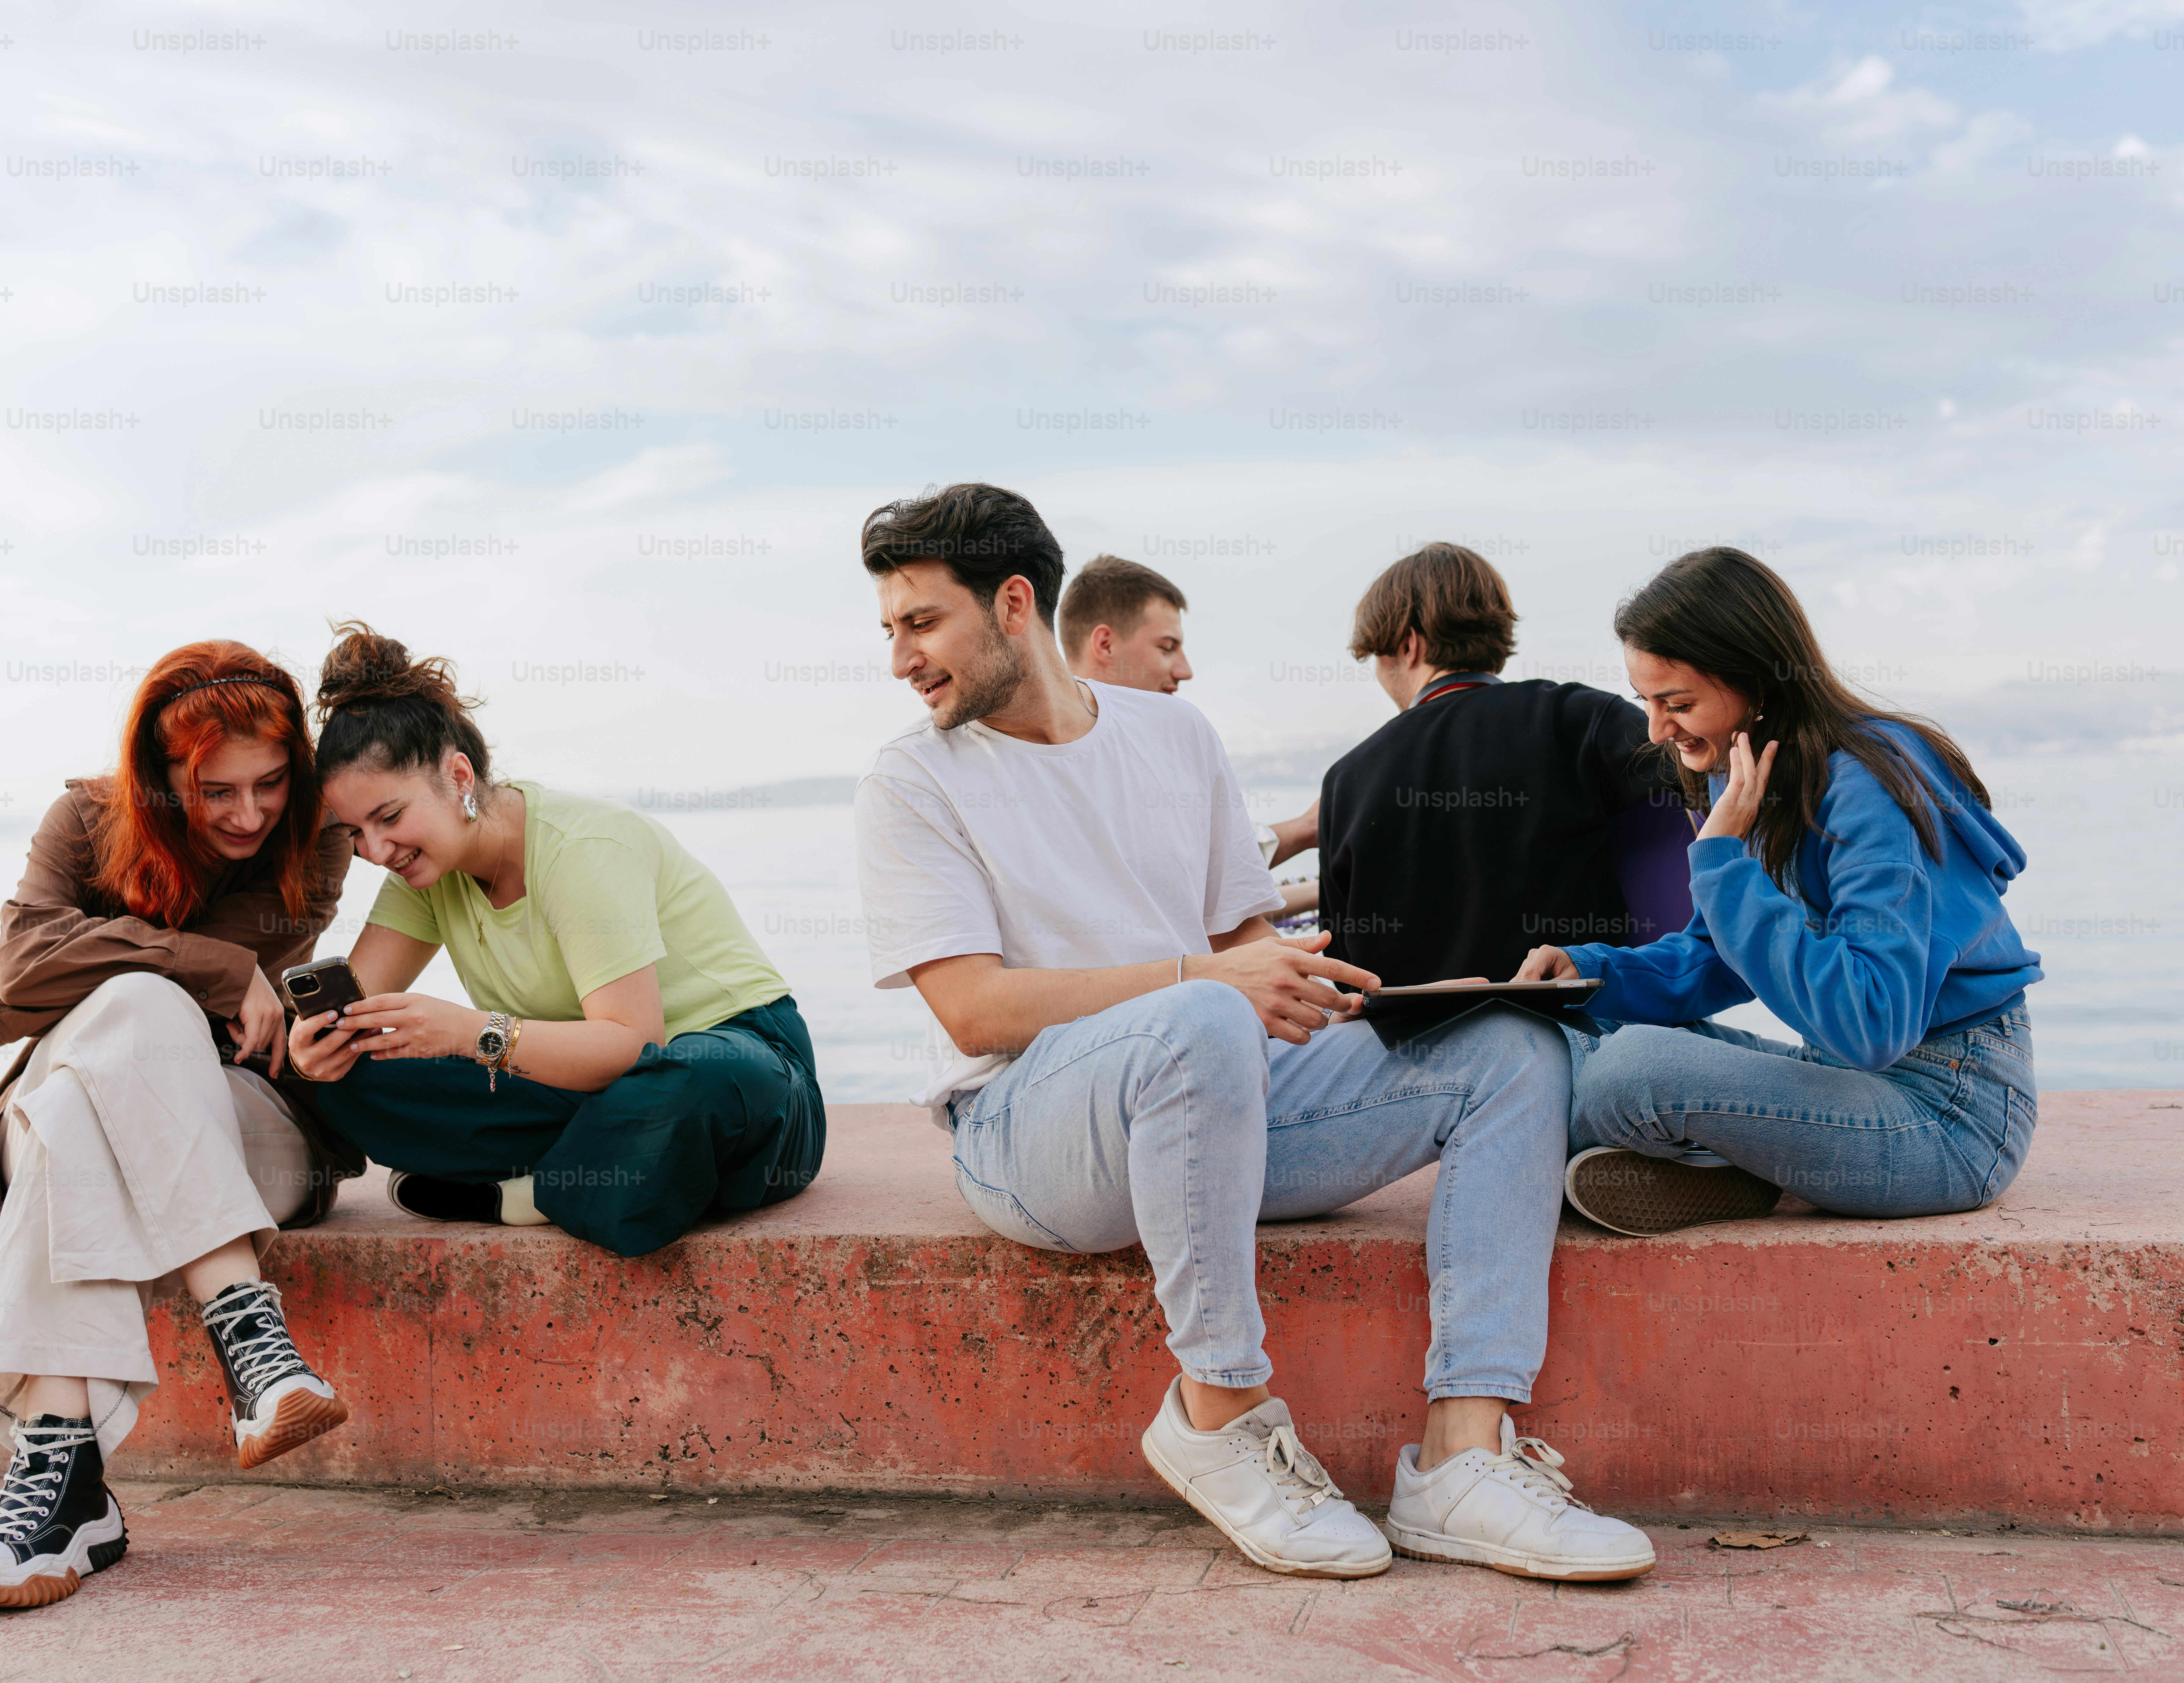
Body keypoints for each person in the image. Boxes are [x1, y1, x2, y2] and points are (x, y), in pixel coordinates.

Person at [853, 483, 1656, 1584]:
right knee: (1194, 1013)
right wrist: (1207, 975)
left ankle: (1463, 1458)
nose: (901, 656)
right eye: (890, 630)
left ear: (1010, 603)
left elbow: (1245, 945)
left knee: (1508, 1042)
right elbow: (975, 1010)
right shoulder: (911, 781)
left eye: (919, 621)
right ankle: (1218, 1410)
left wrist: (1391, 996)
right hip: (1030, 1135)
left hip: (1213, 1100)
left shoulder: (1174, 731)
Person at [0, 643, 359, 1609]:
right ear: (157, 778)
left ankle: (63, 1483)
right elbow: (30, 964)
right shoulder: (85, 821)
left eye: (270, 783)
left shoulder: (313, 842)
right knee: (120, 1030)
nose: (249, 813)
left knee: (113, 1047)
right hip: (113, 1121)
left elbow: (51, 972)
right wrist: (218, 971)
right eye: (214, 791)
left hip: (235, 1123)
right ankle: (251, 1341)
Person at [1514, 547, 2043, 1236]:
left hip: (1947, 1118)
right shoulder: (1747, 771)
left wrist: (1722, 862)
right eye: (1646, 701)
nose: (1655, 730)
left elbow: (1871, 1023)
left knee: (1628, 1074)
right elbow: (1717, 956)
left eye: (1678, 703)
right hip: (1842, 1085)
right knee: (1564, 1032)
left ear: (1758, 685)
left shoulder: (1866, 787)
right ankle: (1733, 1168)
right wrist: (1587, 972)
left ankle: (1721, 1163)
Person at [285, 626, 825, 1259]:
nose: (377, 851)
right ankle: (608, 1167)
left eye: (390, 817)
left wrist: (467, 1032)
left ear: (458, 776)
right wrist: (312, 1051)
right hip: (590, 1087)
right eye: (354, 833)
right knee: (352, 1081)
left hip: (741, 1061)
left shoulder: (581, 847)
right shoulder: (422, 872)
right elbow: (360, 1004)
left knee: (692, 1084)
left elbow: (634, 1043)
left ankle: (526, 1196)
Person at [1319, 542, 1694, 987]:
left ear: (1408, 645)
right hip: (1573, 1032)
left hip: (1402, 1046)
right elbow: (1713, 786)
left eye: (1376, 657)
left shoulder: (1345, 781)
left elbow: (1344, 969)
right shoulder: (1576, 718)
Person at [1062, 553, 1320, 914]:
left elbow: (1201, 886)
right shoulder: (1064, 761)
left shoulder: (1161, 741)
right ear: (1105, 645)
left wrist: (1311, 842)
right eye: (1167, 648)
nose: (1186, 670)